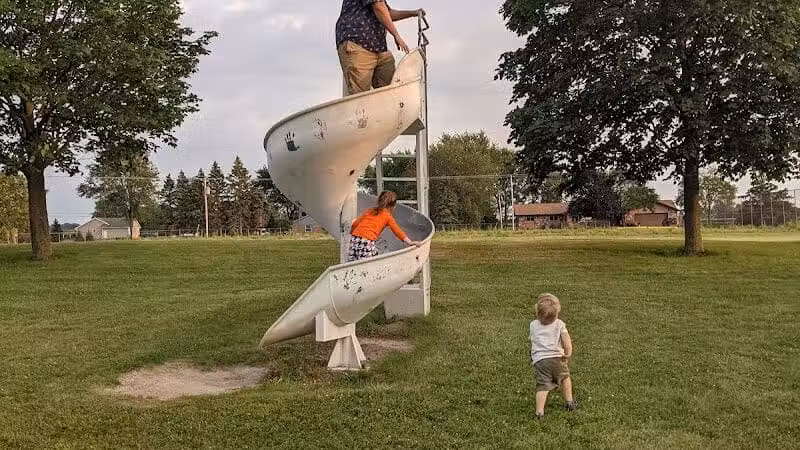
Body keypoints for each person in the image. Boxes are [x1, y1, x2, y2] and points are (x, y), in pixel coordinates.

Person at [336, 1, 424, 95]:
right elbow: (379, 7)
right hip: (358, 42)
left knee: (390, 88)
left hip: (377, 46)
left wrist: (413, 13)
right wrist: (396, 35)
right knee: (360, 95)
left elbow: (387, 13)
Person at [529, 293, 578, 420]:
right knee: (565, 378)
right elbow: (566, 340)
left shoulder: (533, 325)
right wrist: (568, 352)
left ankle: (539, 412)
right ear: (556, 314)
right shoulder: (559, 324)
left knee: (543, 386)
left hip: (540, 361)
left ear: (537, 313)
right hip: (557, 359)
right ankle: (569, 402)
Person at [348, 191, 420, 261]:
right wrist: (409, 242)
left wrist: (352, 233)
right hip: (367, 240)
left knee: (354, 262)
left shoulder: (370, 210)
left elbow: (356, 223)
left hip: (354, 239)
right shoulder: (387, 216)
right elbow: (397, 231)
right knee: (368, 263)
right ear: (392, 207)